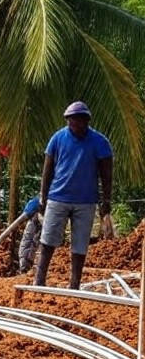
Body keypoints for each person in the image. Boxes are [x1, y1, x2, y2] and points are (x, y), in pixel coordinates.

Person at [34, 102, 113, 290]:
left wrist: (106, 201)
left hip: (85, 201)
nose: (74, 125)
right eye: (71, 121)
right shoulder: (58, 138)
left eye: (78, 121)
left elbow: (107, 174)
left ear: (86, 121)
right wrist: (43, 197)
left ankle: (74, 284)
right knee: (48, 240)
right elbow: (47, 170)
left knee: (79, 245)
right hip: (58, 197)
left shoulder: (100, 142)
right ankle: (39, 280)